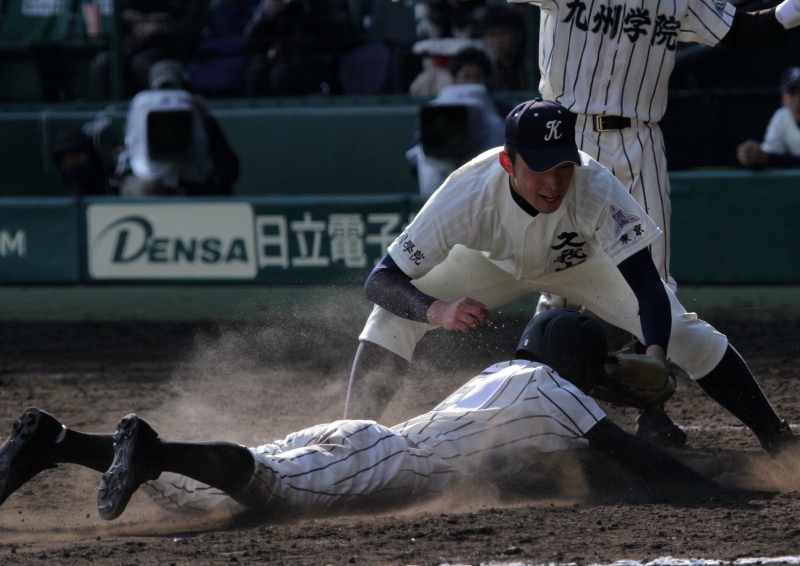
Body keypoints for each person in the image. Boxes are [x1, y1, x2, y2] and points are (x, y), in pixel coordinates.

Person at [343, 98, 797, 456]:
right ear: (508, 163)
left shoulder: (594, 185)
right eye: (540, 166)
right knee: (390, 318)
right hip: (491, 265)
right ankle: (353, 439)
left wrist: (655, 359)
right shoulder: (466, 192)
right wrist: (437, 310)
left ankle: (774, 435)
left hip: (581, 265)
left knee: (680, 329)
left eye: (562, 165)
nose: (555, 181)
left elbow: (646, 285)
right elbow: (380, 280)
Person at [0, 311, 728, 522]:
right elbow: (639, 462)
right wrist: (724, 494)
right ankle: (148, 444)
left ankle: (57, 442)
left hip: (365, 444)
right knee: (266, 489)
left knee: (201, 494)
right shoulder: (558, 394)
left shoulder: (506, 376)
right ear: (573, 367)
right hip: (382, 460)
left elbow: (564, 464)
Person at [507, 0, 800, 313]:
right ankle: (547, 353)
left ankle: (653, 355)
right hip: (569, 136)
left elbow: (737, 30)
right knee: (564, 275)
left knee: (654, 273)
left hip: (640, 136)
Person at [116, 60, 240, 196]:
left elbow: (229, 167)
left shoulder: (193, 106)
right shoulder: (142, 105)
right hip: (148, 188)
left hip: (194, 191)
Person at [737, 66, 800, 169]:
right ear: (782, 99)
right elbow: (768, 154)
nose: (798, 100)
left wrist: (767, 158)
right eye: (792, 93)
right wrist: (753, 154)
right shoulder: (781, 117)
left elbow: (767, 158)